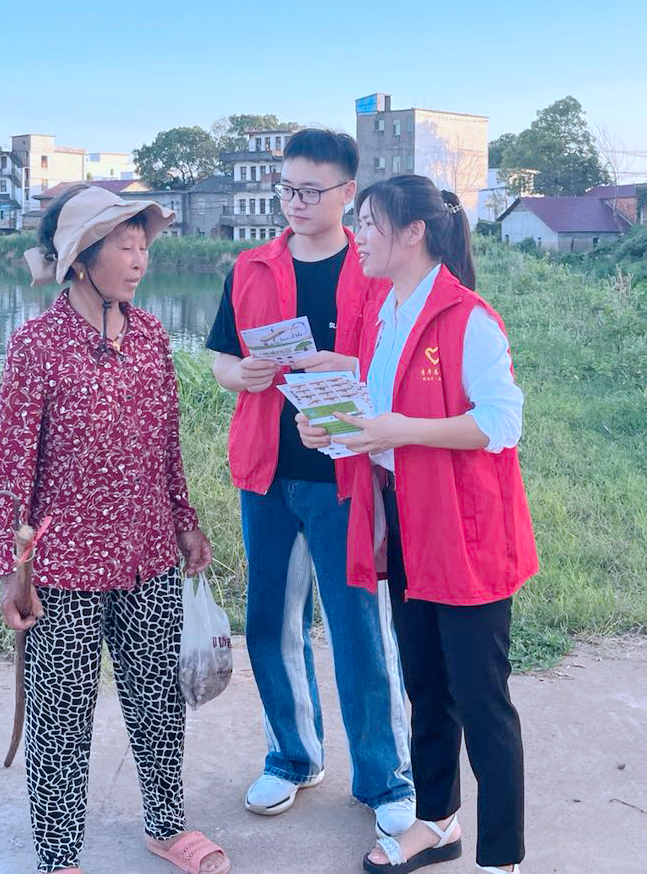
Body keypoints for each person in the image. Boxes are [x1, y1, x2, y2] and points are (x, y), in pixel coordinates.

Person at [297, 174, 538, 874]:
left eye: (371, 223)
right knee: (425, 685)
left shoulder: (468, 318)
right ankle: (436, 821)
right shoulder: (385, 312)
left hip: (465, 530)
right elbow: (376, 417)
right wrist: (330, 431)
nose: (359, 237)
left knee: (480, 698)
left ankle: (501, 856)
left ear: (413, 232)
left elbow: (501, 422)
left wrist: (402, 429)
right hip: (406, 521)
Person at [0, 184, 231, 874]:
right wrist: (8, 570)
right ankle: (59, 856)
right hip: (62, 564)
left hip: (147, 552)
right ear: (80, 259)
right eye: (125, 247)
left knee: (158, 699)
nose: (139, 260)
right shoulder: (36, 345)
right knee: (61, 716)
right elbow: (11, 466)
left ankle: (166, 825)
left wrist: (184, 521)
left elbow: (166, 444)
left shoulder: (151, 336)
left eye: (143, 246)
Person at [205, 129, 416, 837]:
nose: (295, 202)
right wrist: (243, 374)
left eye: (311, 190)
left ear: (347, 193)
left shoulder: (374, 269)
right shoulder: (252, 266)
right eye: (287, 188)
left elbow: (402, 367)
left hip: (347, 472)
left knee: (359, 628)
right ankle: (293, 757)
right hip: (267, 471)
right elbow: (221, 360)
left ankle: (385, 776)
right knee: (270, 622)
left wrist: (347, 366)